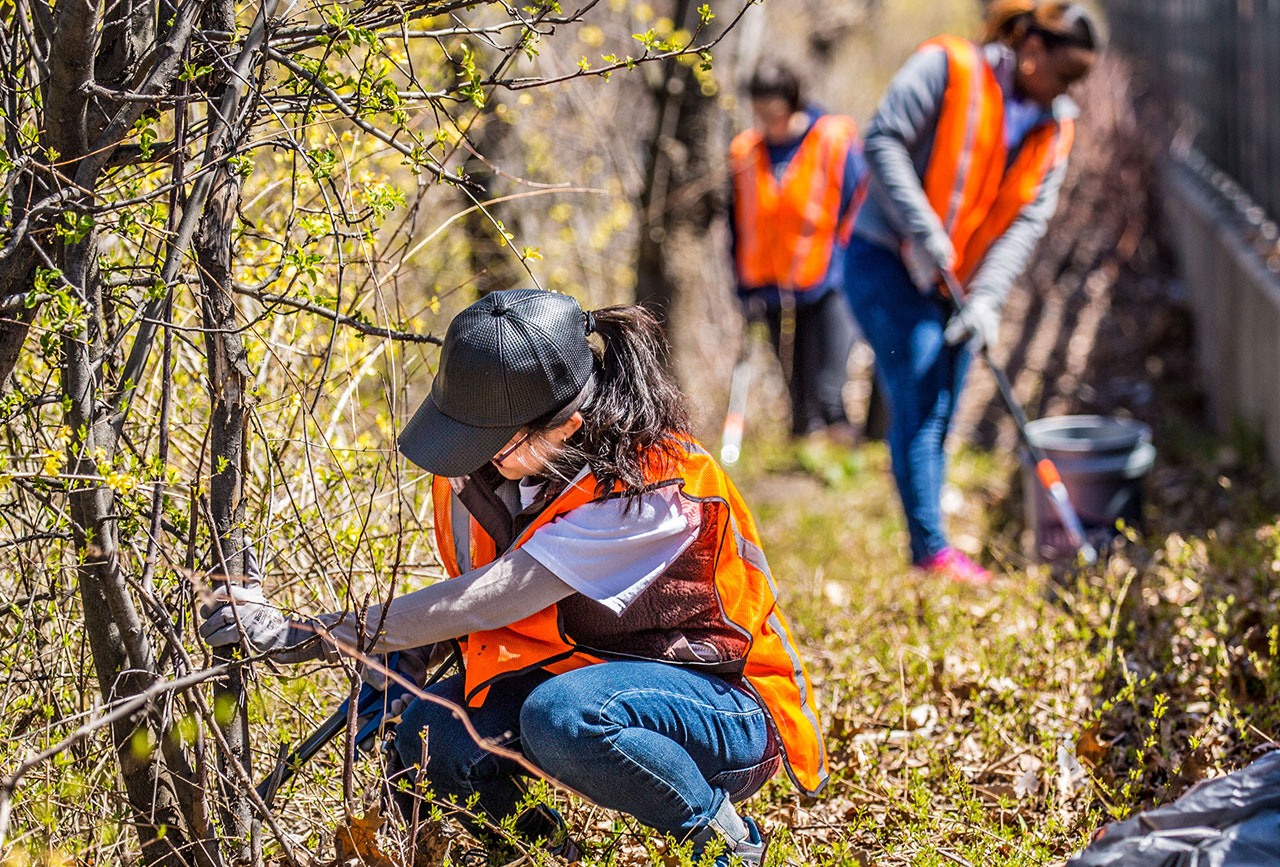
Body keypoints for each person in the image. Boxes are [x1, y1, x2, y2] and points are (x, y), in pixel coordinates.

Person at [199, 289, 827, 865]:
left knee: (563, 718)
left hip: (724, 708)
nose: (473, 460)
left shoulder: (651, 491)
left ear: (565, 428)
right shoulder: (491, 474)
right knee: (431, 739)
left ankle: (723, 840)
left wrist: (300, 633)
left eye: (491, 443)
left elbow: (485, 600)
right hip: (583, 683)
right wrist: (397, 670)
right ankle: (551, 854)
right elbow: (458, 612)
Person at [842, 0, 1100, 584]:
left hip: (958, 280)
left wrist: (987, 299)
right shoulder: (947, 66)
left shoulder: (1054, 125)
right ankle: (930, 550)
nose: (1066, 92)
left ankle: (931, 544)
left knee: (943, 406)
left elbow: (1026, 223)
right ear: (1032, 50)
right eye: (1063, 76)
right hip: (884, 256)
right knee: (922, 395)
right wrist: (923, 230)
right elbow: (881, 139)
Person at [728, 61, 868, 446]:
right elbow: (737, 221)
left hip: (828, 276)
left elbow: (859, 203)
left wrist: (851, 263)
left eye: (771, 107)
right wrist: (743, 285)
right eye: (758, 108)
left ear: (789, 102)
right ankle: (805, 450)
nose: (765, 118)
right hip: (771, 283)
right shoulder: (747, 152)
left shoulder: (831, 140)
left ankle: (844, 451)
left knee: (830, 379)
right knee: (795, 380)